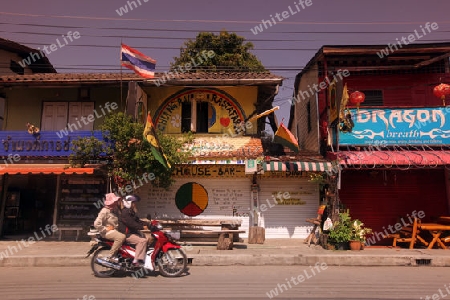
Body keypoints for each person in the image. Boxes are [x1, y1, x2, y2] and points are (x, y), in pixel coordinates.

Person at [117, 195, 149, 267]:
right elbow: (131, 224)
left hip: (131, 232)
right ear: (129, 203)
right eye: (133, 203)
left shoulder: (130, 212)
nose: (135, 204)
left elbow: (137, 220)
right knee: (142, 241)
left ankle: (141, 256)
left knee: (146, 238)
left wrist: (148, 224)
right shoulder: (125, 212)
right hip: (127, 234)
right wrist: (142, 227)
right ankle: (136, 260)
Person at [93, 193, 126, 262]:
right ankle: (110, 256)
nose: (116, 203)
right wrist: (105, 229)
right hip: (107, 232)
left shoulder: (113, 210)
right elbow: (96, 223)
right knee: (121, 237)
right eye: (115, 201)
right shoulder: (104, 211)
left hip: (114, 231)